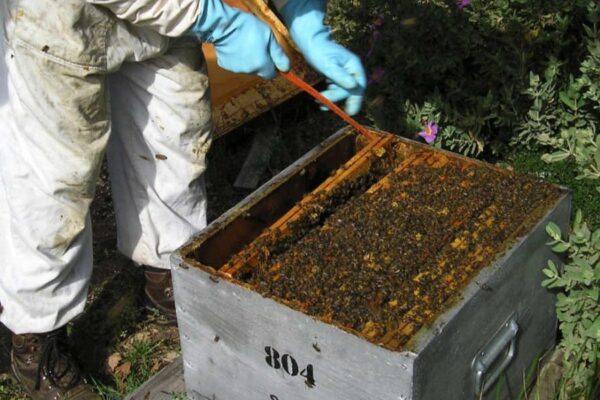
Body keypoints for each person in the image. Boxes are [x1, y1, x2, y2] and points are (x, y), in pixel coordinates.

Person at [0, 0, 366, 398]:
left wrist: (306, 22)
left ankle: (168, 280)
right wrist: (215, 21)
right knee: (54, 179)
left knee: (175, 135)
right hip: (59, 18)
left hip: (174, 18)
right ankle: (36, 338)